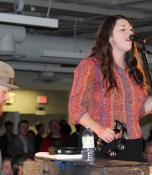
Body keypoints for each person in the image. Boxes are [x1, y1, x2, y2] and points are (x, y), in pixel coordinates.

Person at [68, 14, 152, 162]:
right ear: (109, 37)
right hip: (104, 142)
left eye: (130, 29)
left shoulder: (133, 73)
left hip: (133, 144)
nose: (129, 33)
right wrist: (98, 129)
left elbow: (138, 110)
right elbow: (76, 107)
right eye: (123, 29)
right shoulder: (91, 66)